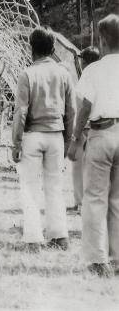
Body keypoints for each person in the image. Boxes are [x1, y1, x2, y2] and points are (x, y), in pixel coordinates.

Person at [12, 27, 76, 253]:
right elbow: (72, 111)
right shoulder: (64, 74)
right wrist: (67, 141)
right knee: (55, 188)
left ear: (32, 50)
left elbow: (20, 112)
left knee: (30, 188)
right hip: (56, 135)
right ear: (52, 49)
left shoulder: (27, 74)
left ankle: (33, 239)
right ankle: (60, 237)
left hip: (32, 135)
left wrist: (16, 142)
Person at [68, 14, 119, 277]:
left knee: (95, 198)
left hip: (102, 133)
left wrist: (76, 139)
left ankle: (97, 260)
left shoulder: (93, 69)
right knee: (117, 199)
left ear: (102, 39)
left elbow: (84, 107)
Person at [67, 46, 100, 214]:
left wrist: (75, 133)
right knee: (82, 169)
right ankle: (79, 202)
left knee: (80, 168)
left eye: (82, 60)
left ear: (87, 62)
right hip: (93, 128)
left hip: (85, 128)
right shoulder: (99, 75)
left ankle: (81, 204)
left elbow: (83, 106)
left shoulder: (88, 76)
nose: (80, 63)